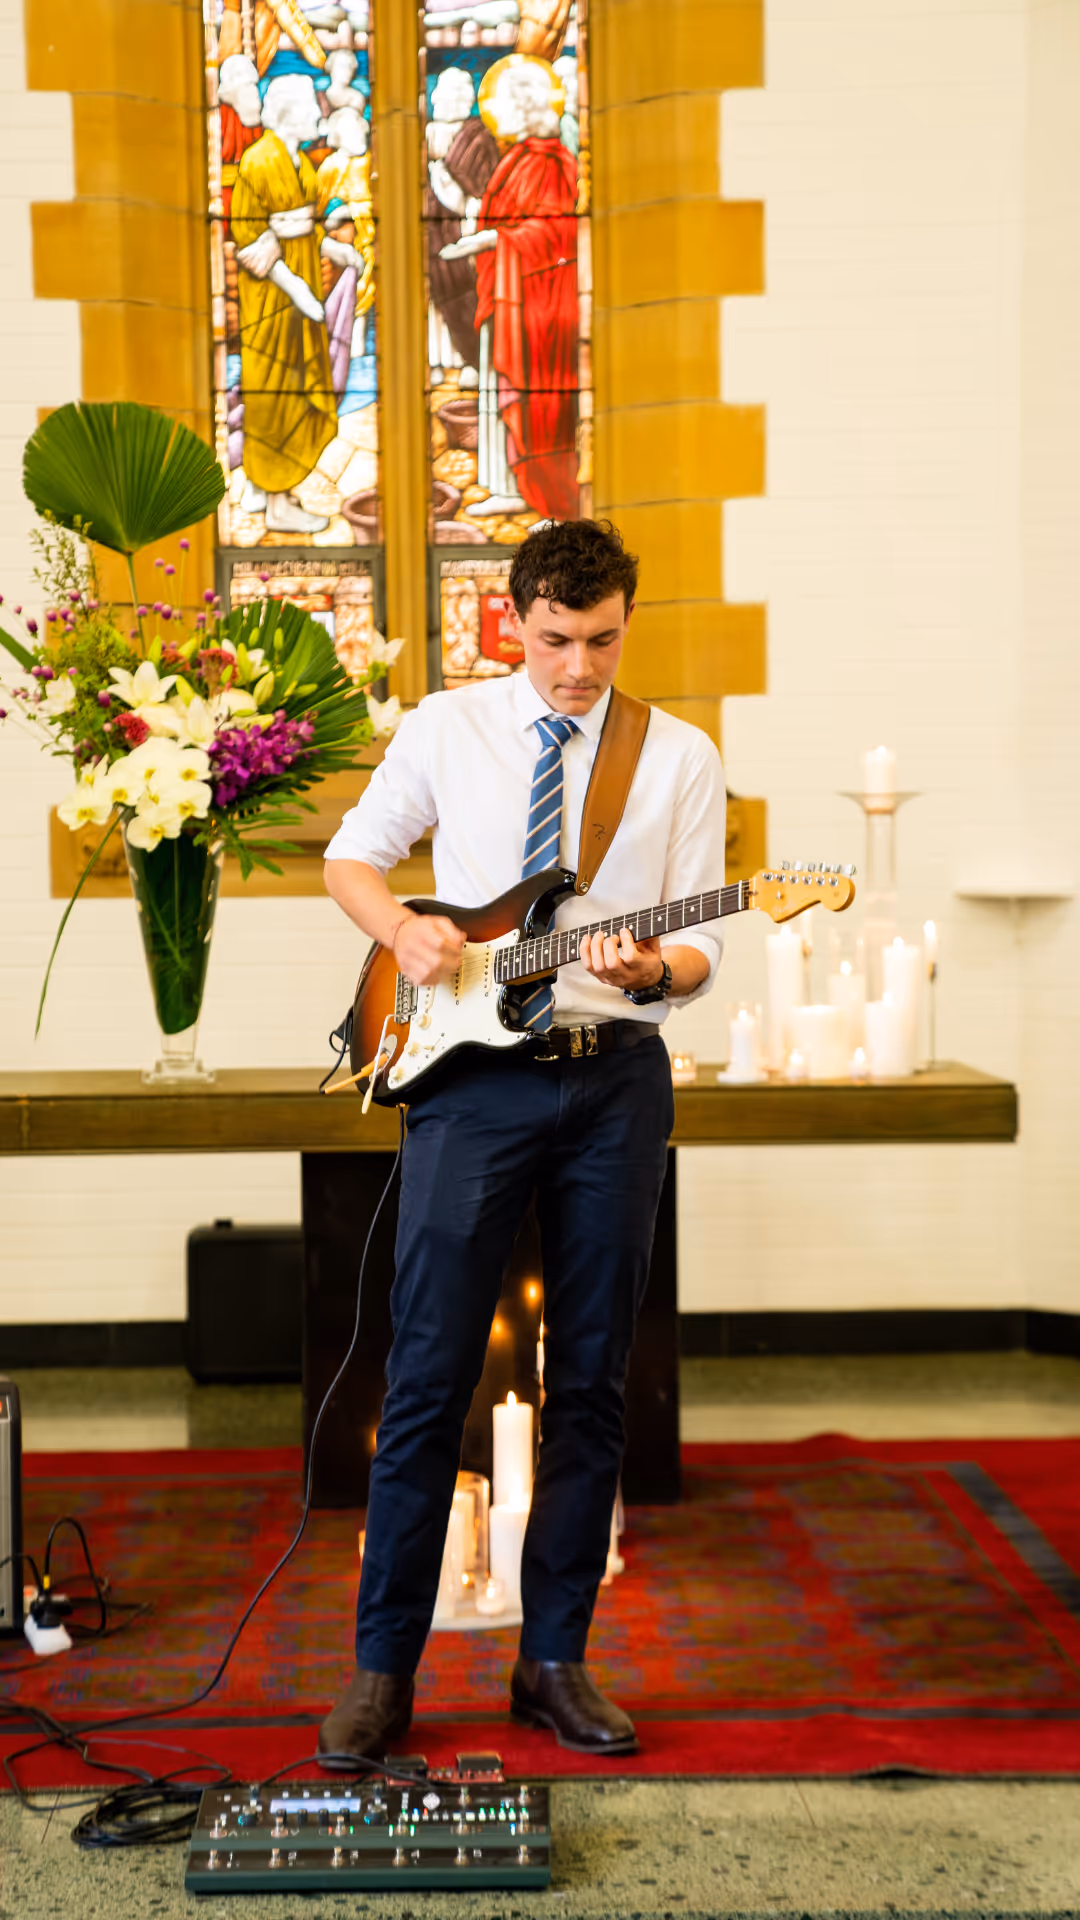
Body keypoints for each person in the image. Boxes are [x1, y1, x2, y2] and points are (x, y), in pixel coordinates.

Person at [318, 518, 726, 1762]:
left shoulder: (681, 756)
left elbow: (710, 952)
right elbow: (351, 858)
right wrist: (404, 932)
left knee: (594, 1376)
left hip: (617, 1083)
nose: (579, 668)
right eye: (557, 641)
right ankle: (384, 1672)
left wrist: (656, 960)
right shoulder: (449, 726)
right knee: (430, 1373)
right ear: (516, 621)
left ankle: (553, 1660)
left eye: (603, 641)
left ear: (624, 625)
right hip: (469, 1084)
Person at [230, 73, 337, 534]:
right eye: (311, 107)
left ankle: (271, 488)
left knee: (294, 386)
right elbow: (250, 239)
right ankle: (276, 501)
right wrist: (295, 288)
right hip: (272, 301)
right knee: (275, 389)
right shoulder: (258, 161)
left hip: (301, 289)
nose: (318, 113)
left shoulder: (300, 162)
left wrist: (335, 251)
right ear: (290, 113)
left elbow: (302, 230)